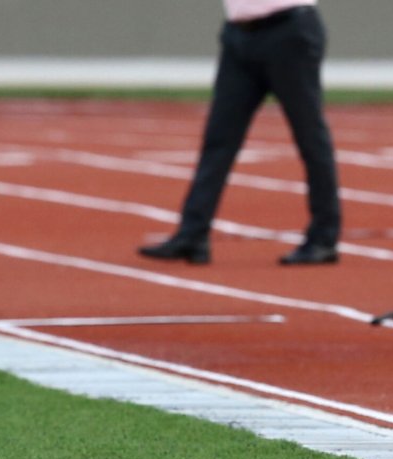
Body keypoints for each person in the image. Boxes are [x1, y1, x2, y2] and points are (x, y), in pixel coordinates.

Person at [139, 0, 341, 265]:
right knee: (218, 138)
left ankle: (324, 237)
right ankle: (193, 234)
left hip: (288, 30)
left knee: (310, 137)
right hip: (240, 34)